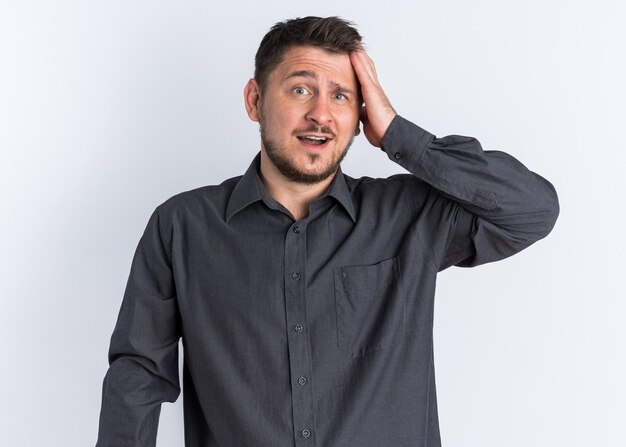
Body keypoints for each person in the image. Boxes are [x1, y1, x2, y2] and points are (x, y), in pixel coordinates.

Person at [96, 16, 559, 447]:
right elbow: (137, 377)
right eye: (301, 90)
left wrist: (397, 133)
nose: (321, 114)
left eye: (340, 95)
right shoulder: (182, 227)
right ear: (255, 101)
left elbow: (532, 209)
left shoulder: (409, 216)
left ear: (360, 114)